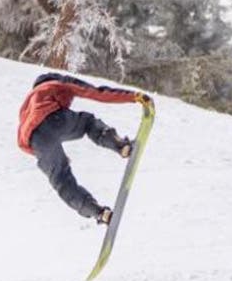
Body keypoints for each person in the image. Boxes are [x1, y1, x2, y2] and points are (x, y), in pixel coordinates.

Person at [15, 70, 150, 224]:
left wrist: (55, 155)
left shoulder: (26, 107)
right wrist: (134, 96)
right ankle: (121, 146)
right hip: (54, 118)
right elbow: (97, 92)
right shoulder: (57, 83)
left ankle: (98, 212)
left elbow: (23, 142)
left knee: (62, 181)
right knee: (87, 122)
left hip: (35, 141)